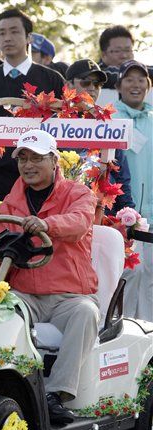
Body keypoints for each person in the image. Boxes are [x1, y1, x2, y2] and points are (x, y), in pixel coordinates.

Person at [0, 129, 100, 425]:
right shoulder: (11, 200)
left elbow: (78, 223)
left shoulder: (78, 192)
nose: (28, 165)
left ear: (54, 160)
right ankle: (0, 387)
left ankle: (55, 395)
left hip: (69, 296)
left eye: (36, 158)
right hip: (25, 294)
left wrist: (46, 225)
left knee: (86, 313)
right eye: (23, 158)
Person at [0, 8, 65, 200]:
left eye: (14, 31)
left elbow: (66, 128)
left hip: (44, 180)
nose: (7, 38)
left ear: (29, 37)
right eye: (2, 33)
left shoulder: (52, 80)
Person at [65, 58, 135, 213]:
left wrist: (128, 213)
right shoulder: (54, 123)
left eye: (97, 84)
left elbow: (121, 177)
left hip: (103, 214)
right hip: (65, 213)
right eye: (85, 82)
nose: (92, 88)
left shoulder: (108, 124)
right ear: (68, 84)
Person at [113, 60, 153, 321]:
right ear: (118, 86)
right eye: (129, 79)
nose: (135, 84)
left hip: (152, 212)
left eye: (141, 79)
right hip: (124, 214)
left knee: (149, 275)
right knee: (129, 274)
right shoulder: (111, 118)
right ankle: (121, 335)